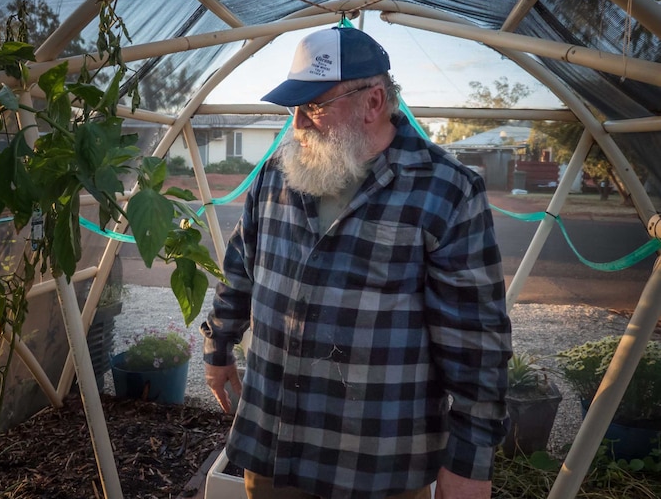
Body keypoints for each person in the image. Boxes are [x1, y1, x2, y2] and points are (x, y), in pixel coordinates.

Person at [200, 26, 512, 499]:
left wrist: (469, 462)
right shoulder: (275, 175)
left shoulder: (445, 190)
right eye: (295, 107)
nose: (298, 124)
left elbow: (476, 341)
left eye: (315, 106)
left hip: (374, 464)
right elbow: (241, 267)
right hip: (273, 446)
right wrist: (218, 346)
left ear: (373, 101)